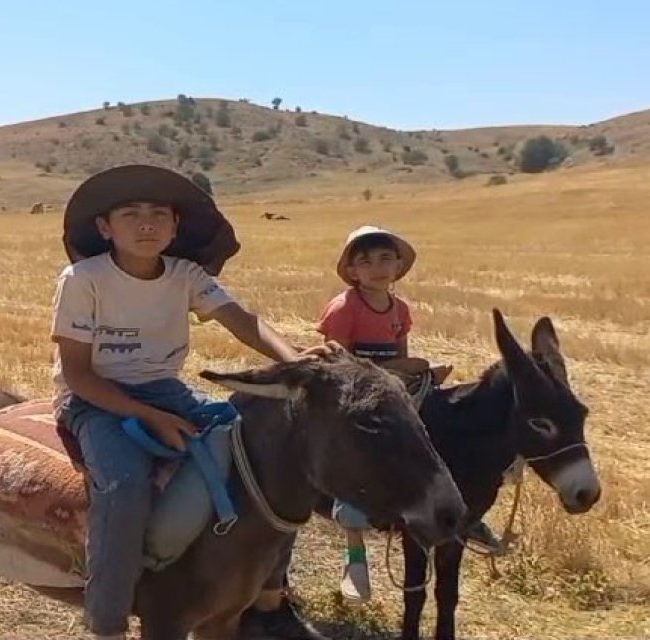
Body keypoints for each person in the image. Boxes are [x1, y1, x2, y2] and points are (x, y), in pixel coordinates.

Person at [49, 164, 321, 640]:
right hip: (94, 399)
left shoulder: (185, 275)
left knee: (258, 454)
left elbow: (242, 321)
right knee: (125, 484)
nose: (146, 223)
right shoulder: (83, 279)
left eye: (159, 214)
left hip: (165, 389)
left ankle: (266, 590)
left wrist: (296, 361)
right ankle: (108, 618)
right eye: (130, 213)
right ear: (104, 227)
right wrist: (148, 417)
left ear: (175, 227)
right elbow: (77, 373)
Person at [316, 225, 506, 601]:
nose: (377, 267)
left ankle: (463, 511)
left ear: (399, 265)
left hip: (396, 383)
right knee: (359, 442)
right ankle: (351, 525)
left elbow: (401, 352)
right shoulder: (345, 308)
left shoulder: (399, 308)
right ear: (352, 271)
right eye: (366, 261)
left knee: (440, 423)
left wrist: (416, 371)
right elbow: (338, 360)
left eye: (386, 258)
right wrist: (391, 374)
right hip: (358, 388)